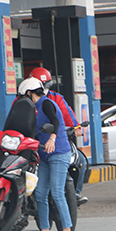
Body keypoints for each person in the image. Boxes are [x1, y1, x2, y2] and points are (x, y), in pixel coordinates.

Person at [19, 78, 75, 231]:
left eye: (24, 95)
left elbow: (55, 121)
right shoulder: (32, 109)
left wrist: (52, 138)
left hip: (58, 152)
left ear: (29, 92)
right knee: (40, 193)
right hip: (43, 155)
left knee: (57, 192)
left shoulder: (46, 103)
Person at [29, 67, 87, 205]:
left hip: (57, 143)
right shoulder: (25, 99)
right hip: (35, 142)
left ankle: (76, 193)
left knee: (82, 162)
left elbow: (66, 114)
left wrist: (76, 127)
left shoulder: (55, 98)